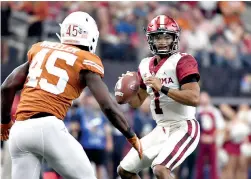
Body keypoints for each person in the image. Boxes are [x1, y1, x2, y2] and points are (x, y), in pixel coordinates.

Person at [0, 11, 142, 179]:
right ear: (90, 36)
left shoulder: (41, 49)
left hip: (20, 131)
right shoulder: (85, 59)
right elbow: (107, 105)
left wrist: (4, 123)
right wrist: (131, 135)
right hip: (49, 127)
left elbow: (7, 86)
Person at [117, 15, 201, 179]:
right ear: (150, 39)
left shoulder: (182, 61)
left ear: (174, 38)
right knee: (124, 170)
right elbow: (136, 102)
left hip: (183, 126)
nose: (162, 41)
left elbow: (194, 98)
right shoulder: (144, 65)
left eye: (166, 36)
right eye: (157, 37)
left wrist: (162, 87)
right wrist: (125, 90)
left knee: (160, 169)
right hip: (161, 128)